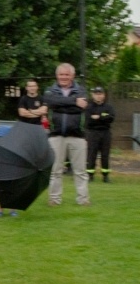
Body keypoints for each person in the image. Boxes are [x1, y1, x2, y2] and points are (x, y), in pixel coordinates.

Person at [44, 63, 90, 206]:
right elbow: (50, 101)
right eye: (61, 74)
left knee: (80, 171)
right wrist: (74, 102)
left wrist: (61, 106)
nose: (64, 77)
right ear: (57, 75)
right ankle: (54, 199)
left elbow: (81, 108)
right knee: (55, 170)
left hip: (77, 136)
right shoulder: (50, 91)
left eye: (67, 74)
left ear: (72, 76)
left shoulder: (81, 90)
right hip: (56, 136)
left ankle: (83, 199)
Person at [84, 86, 115, 183]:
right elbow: (88, 121)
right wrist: (103, 117)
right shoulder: (89, 107)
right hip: (93, 133)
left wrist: (99, 117)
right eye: (96, 94)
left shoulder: (108, 107)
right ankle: (90, 175)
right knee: (91, 154)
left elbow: (111, 118)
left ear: (104, 95)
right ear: (93, 95)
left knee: (105, 155)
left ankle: (105, 176)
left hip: (106, 133)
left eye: (100, 94)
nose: (98, 96)